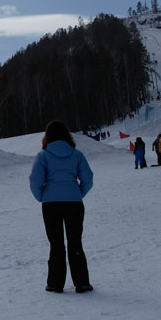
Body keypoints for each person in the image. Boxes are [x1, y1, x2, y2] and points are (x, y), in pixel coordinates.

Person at [29, 120, 94, 294]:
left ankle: (55, 283)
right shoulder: (77, 155)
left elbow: (35, 180)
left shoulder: (43, 156)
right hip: (74, 203)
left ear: (47, 136)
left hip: (51, 204)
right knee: (75, 242)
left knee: (56, 243)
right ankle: (82, 282)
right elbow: (88, 179)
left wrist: (42, 197)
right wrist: (77, 194)